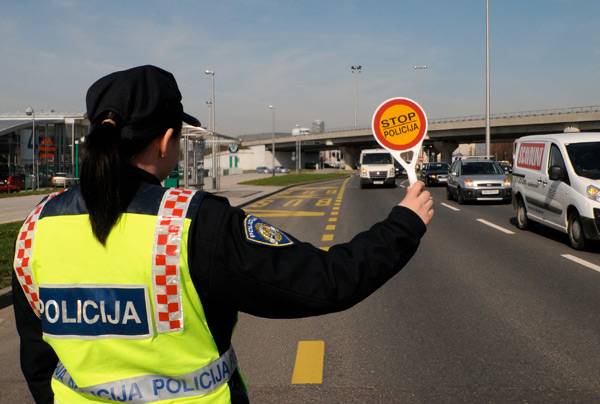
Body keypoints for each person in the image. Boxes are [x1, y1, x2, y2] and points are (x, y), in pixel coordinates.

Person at [13, 65, 433, 404]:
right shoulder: (192, 224)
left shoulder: (36, 228)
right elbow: (326, 282)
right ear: (165, 142)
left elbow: (38, 362)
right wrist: (403, 225)